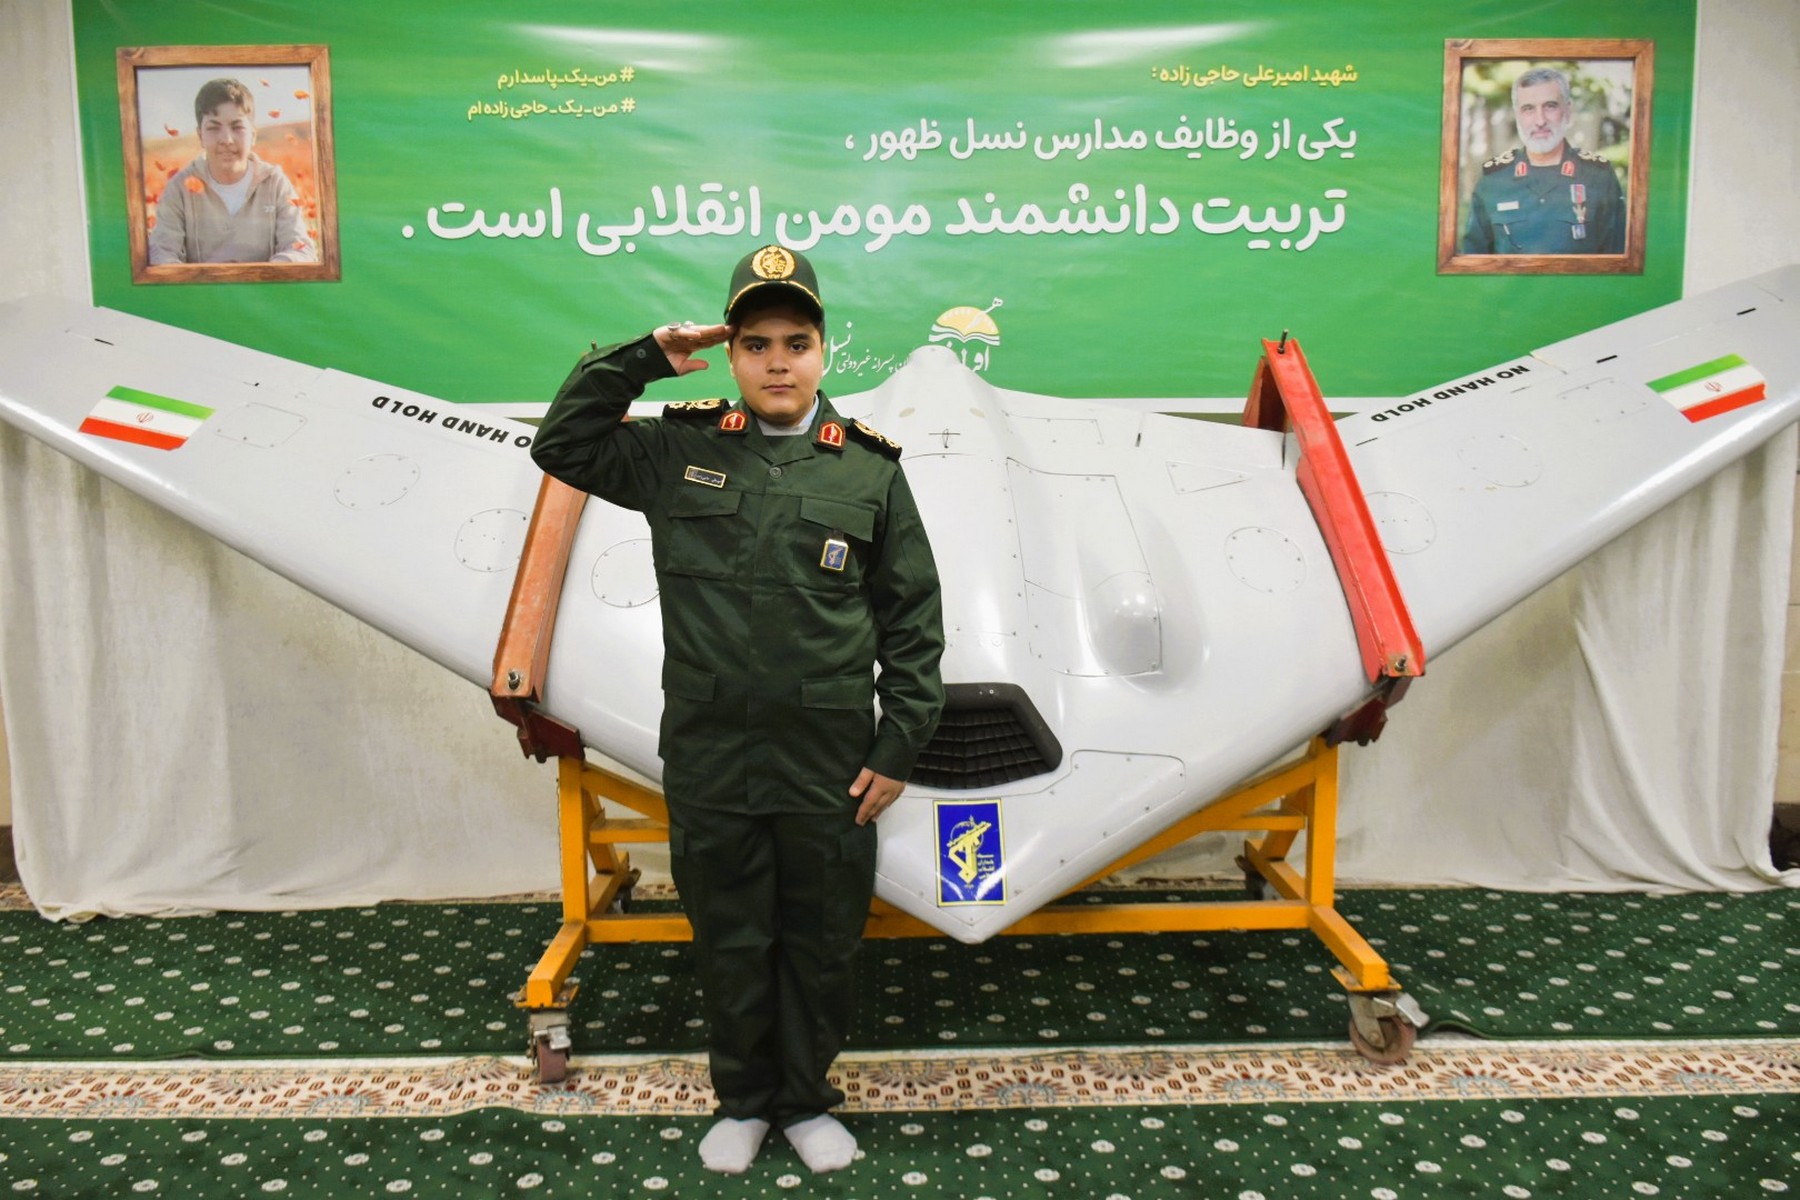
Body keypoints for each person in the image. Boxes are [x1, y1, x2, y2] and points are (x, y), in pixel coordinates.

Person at [531, 245, 946, 1175]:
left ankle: (804, 1100)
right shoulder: (677, 448)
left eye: (797, 343)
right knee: (731, 937)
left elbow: (913, 620)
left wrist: (900, 746)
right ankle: (745, 1101)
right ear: (729, 352)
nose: (777, 362)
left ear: (825, 351)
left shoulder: (870, 471)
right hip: (713, 749)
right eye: (755, 344)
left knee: (821, 940)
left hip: (829, 758)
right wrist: (643, 358)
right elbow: (561, 445)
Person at [147, 78, 316, 265]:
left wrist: (264, 276)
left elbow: (300, 248)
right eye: (213, 128)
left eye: (237, 127)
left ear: (253, 135)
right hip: (199, 285)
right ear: (200, 136)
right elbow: (162, 252)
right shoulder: (179, 188)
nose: (226, 139)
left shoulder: (274, 183)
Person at [1462, 65, 1626, 255]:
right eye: (1528, 109)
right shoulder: (1494, 180)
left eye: (1550, 106)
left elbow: (1619, 258)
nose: (1540, 121)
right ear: (1517, 115)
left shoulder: (1598, 177)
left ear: (1568, 110)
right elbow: (1473, 260)